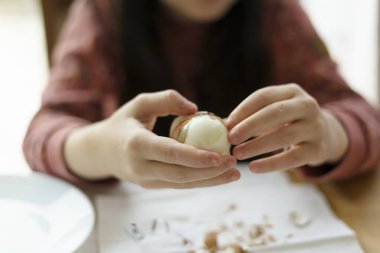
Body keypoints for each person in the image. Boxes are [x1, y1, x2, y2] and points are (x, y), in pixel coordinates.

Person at [24, 0, 380, 188]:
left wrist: (330, 134)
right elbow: (43, 134)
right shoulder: (102, 15)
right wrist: (104, 149)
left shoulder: (274, 12)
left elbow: (364, 119)